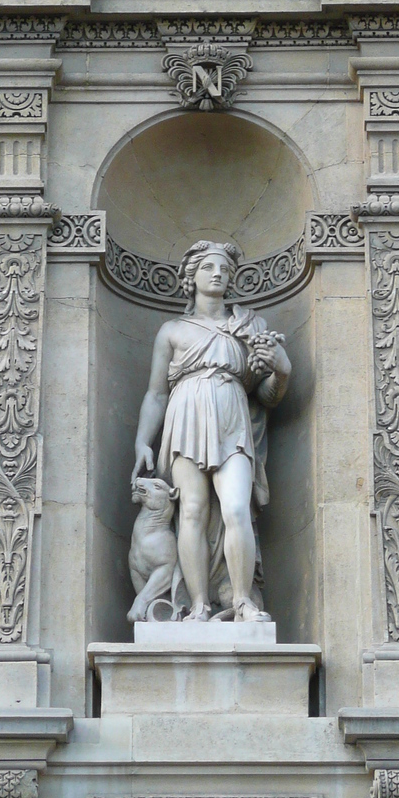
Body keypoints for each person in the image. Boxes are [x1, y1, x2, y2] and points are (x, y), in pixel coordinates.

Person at [131, 239, 290, 622]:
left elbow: (267, 395)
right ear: (191, 277)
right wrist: (142, 441)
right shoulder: (172, 331)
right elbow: (156, 394)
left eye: (224, 269)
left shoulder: (249, 327)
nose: (217, 273)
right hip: (185, 417)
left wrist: (282, 369)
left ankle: (241, 602)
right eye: (208, 267)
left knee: (236, 507)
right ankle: (198, 604)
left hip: (233, 417)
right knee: (192, 511)